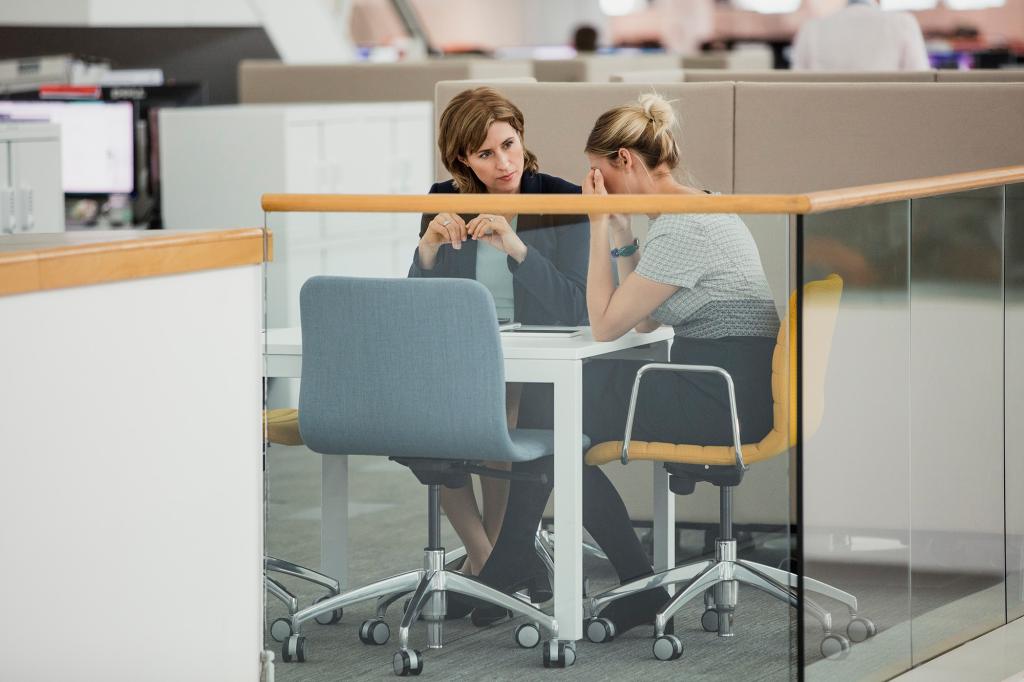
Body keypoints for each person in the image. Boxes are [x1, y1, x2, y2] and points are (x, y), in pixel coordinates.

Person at [463, 93, 780, 635]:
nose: (596, 185)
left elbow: (610, 324)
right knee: (557, 409)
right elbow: (646, 322)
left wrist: (595, 226)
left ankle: (536, 565)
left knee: (554, 412)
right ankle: (523, 561)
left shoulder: (686, 228)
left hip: (719, 398)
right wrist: (624, 235)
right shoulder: (697, 206)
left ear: (626, 162)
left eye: (599, 173)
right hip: (721, 384)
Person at [408, 86, 588, 583]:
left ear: (521, 137)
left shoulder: (560, 198)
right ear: (462, 158)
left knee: (498, 409)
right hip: (463, 349)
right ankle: (490, 562)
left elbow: (577, 303)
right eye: (485, 154)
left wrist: (517, 249)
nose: (503, 163)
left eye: (508, 144)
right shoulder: (445, 199)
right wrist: (426, 249)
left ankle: (489, 567)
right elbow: (418, 299)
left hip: (540, 354)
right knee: (434, 427)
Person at [791, 0, 930, 71]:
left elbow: (795, 90)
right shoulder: (904, 24)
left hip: (823, 122)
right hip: (888, 122)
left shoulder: (811, 28)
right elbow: (922, 84)